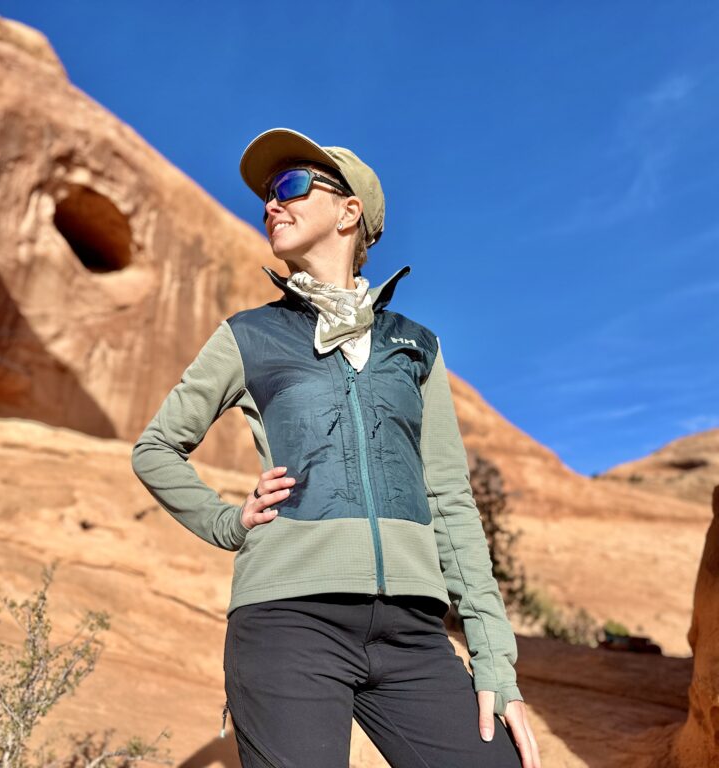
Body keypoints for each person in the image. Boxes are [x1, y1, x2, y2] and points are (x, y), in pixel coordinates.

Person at [131, 127, 541, 768]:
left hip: (413, 631)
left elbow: (450, 499)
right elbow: (156, 447)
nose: (272, 203)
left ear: (350, 211)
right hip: (288, 621)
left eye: (291, 186)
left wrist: (493, 657)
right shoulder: (250, 336)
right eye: (266, 194)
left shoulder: (416, 347)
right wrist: (225, 521)